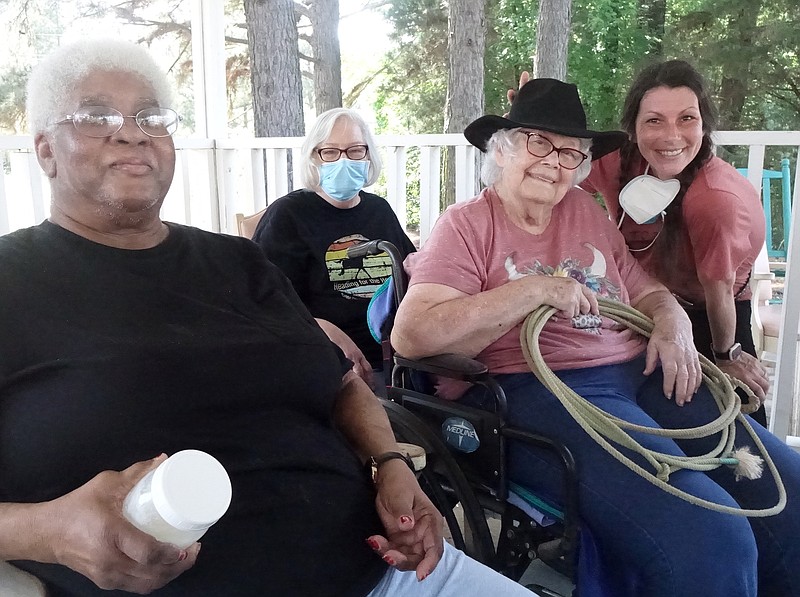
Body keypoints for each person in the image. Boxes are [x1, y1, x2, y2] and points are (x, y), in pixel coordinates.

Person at [0, 38, 537, 597]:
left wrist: (391, 464)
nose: (132, 131)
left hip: (393, 573)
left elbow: (342, 383)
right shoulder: (11, 281)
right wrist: (50, 532)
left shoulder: (238, 262)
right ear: (44, 150)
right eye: (96, 115)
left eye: (150, 116)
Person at [391, 78, 800, 596]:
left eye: (571, 152)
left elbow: (645, 290)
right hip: (540, 389)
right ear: (502, 149)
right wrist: (533, 290)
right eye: (538, 143)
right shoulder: (467, 225)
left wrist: (672, 322)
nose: (554, 162)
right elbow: (412, 335)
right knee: (709, 536)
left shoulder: (585, 212)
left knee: (790, 488)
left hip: (640, 372)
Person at [513, 62, 770, 425]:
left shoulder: (716, 200)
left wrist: (727, 355)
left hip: (713, 317)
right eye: (654, 121)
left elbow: (720, 288)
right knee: (657, 425)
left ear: (703, 124)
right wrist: (526, 129)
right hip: (644, 308)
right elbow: (554, 171)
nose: (671, 136)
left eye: (686, 119)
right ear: (632, 128)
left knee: (736, 431)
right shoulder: (616, 163)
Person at [252, 108, 416, 391]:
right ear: (314, 157)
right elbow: (267, 301)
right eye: (330, 152)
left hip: (396, 356)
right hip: (325, 359)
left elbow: (412, 273)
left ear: (367, 156)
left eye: (354, 151)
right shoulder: (289, 215)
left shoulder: (380, 210)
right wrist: (327, 332)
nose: (343, 160)